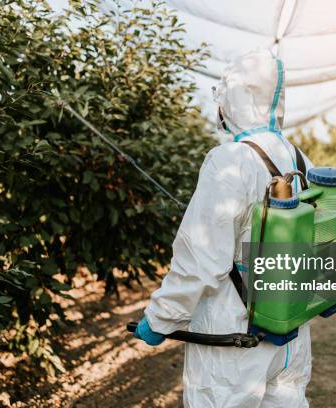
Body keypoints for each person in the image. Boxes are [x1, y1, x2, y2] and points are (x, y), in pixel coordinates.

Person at [133, 50, 314, 407]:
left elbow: (200, 259)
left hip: (233, 344)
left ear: (235, 96)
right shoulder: (299, 159)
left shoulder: (230, 160)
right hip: (289, 338)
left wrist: (159, 318)